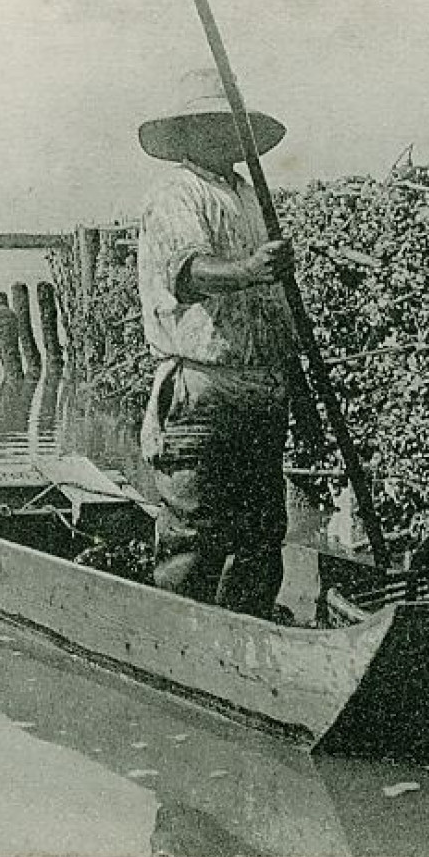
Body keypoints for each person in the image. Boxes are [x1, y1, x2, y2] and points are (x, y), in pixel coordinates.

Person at [135, 68, 297, 619]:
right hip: (202, 389)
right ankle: (177, 645)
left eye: (229, 129)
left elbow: (275, 305)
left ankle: (247, 646)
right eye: (207, 128)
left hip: (260, 390)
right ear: (185, 135)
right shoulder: (176, 194)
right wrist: (251, 268)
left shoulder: (250, 198)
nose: (220, 138)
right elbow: (187, 273)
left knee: (260, 536)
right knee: (194, 534)